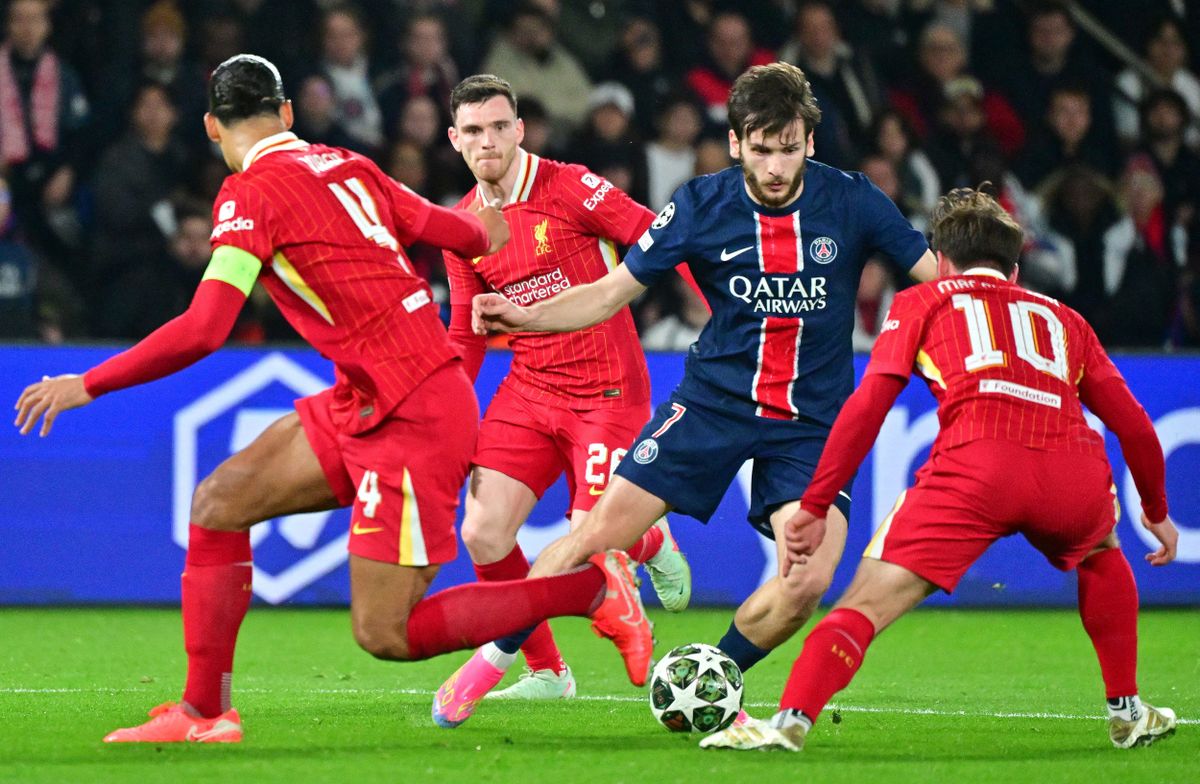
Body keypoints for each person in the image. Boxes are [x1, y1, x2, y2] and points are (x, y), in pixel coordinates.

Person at [13, 54, 653, 744]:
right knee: (218, 503)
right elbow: (456, 230)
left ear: (210, 127)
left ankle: (588, 591)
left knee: (387, 633)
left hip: (412, 410)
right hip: (370, 398)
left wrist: (88, 382)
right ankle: (204, 713)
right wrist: (489, 232)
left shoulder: (247, 194)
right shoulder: (348, 165)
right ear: (287, 113)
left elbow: (204, 330)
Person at [473, 62, 937, 716]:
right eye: (761, 149)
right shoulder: (698, 205)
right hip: (711, 405)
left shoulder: (854, 200)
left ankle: (713, 673)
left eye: (789, 148)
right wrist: (524, 315)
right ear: (737, 142)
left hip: (811, 426)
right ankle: (493, 659)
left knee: (807, 583)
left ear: (810, 140)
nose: (775, 167)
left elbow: (940, 282)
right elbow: (610, 294)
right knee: (595, 535)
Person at [700, 186, 1180, 753]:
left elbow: (868, 407)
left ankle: (788, 724)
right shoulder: (1066, 319)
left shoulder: (923, 300)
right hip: (1071, 470)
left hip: (977, 468)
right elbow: (1137, 428)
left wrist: (815, 504)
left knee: (863, 606)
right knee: (1101, 552)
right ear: (1015, 266)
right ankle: (1127, 711)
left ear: (942, 260)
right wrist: (1156, 511)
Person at [431, 74, 693, 727]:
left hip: (607, 389)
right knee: (483, 532)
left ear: (519, 130)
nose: (487, 141)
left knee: (585, 541)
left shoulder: (570, 185)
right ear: (454, 140)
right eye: (473, 131)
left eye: (499, 127)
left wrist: (717, 316)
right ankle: (548, 673)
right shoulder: (462, 223)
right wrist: (448, 409)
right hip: (528, 390)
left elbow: (657, 238)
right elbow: (466, 330)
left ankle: (644, 538)